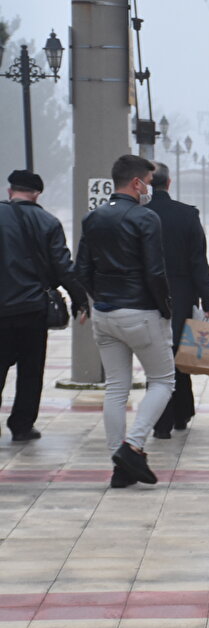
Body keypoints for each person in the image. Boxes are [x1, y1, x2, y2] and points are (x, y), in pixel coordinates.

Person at [75, 155, 174, 488]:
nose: (149, 187)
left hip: (104, 313)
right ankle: (133, 446)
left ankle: (119, 465)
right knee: (162, 381)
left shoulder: (93, 219)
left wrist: (101, 298)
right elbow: (155, 272)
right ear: (137, 183)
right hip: (142, 312)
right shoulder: (146, 218)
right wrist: (166, 308)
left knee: (116, 388)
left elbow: (82, 270)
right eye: (148, 180)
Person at [0, 170, 88, 442]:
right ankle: (22, 425)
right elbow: (63, 267)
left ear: (9, 191)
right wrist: (80, 300)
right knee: (31, 369)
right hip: (33, 309)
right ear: (37, 194)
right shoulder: (48, 222)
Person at [145, 162, 209, 439]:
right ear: (169, 182)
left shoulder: (139, 213)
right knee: (179, 354)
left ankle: (161, 421)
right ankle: (181, 414)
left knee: (157, 360)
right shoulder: (186, 215)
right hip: (180, 295)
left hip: (146, 298)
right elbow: (198, 262)